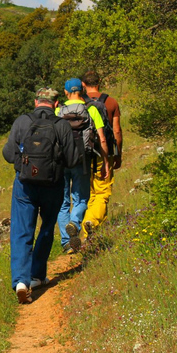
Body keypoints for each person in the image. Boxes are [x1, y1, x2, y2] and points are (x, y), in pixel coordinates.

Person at [3, 87, 78, 304]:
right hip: (53, 186)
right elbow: (72, 160)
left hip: (24, 185)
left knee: (21, 231)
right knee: (46, 228)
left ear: (36, 102)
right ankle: (37, 276)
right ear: (56, 104)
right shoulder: (61, 125)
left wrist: (24, 166)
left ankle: (20, 281)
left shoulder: (21, 122)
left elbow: (8, 154)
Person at [56, 78, 110, 253]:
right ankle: (74, 222)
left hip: (61, 162)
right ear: (82, 91)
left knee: (62, 202)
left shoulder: (58, 111)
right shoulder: (91, 109)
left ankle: (67, 242)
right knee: (81, 199)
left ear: (65, 92)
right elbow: (102, 138)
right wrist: (105, 163)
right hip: (82, 161)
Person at [81, 71, 122, 239]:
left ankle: (90, 235)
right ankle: (90, 222)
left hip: (82, 154)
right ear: (99, 83)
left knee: (90, 194)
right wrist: (117, 154)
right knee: (103, 192)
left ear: (84, 84)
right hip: (104, 153)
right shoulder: (111, 102)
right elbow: (117, 130)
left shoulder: (80, 103)